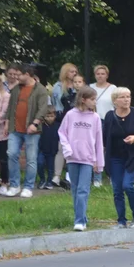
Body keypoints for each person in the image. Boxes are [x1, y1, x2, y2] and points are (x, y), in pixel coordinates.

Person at [102, 87, 134, 229]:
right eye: (122, 97)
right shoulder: (110, 116)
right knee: (117, 189)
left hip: (132, 156)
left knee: (127, 185)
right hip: (114, 157)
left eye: (128, 96)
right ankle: (121, 220)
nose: (126, 100)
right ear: (115, 100)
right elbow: (105, 138)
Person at [58, 87, 104, 230]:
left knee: (83, 190)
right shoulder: (70, 115)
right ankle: (81, 217)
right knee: (75, 190)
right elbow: (62, 133)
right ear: (83, 99)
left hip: (87, 158)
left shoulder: (95, 117)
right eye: (92, 99)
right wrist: (67, 149)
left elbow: (98, 140)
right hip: (72, 157)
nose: (94, 102)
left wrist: (99, 162)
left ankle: (79, 221)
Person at [1, 65, 50, 198]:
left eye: (18, 75)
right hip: (15, 128)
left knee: (31, 159)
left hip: (32, 130)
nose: (16, 78)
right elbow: (11, 107)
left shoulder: (40, 89)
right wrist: (7, 123)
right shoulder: (16, 88)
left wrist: (35, 123)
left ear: (27, 74)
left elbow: (43, 108)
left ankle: (28, 187)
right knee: (11, 154)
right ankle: (15, 185)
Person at [49, 63, 79, 186]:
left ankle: (70, 175)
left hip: (76, 120)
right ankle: (56, 175)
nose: (74, 74)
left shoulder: (79, 85)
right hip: (62, 119)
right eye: (72, 71)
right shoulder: (58, 86)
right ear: (65, 72)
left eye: (76, 71)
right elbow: (55, 103)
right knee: (61, 147)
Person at [90, 65, 116, 187]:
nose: (100, 76)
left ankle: (112, 176)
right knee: (96, 149)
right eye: (98, 73)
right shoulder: (90, 88)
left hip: (109, 120)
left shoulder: (113, 88)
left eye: (102, 73)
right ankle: (97, 178)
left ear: (107, 75)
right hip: (94, 120)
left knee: (109, 148)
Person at [36, 106, 60, 190]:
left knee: (50, 168)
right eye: (48, 116)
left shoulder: (57, 126)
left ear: (55, 116)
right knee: (39, 164)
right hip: (42, 150)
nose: (50, 118)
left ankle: (49, 181)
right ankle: (42, 179)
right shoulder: (41, 126)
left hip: (52, 150)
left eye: (52, 116)